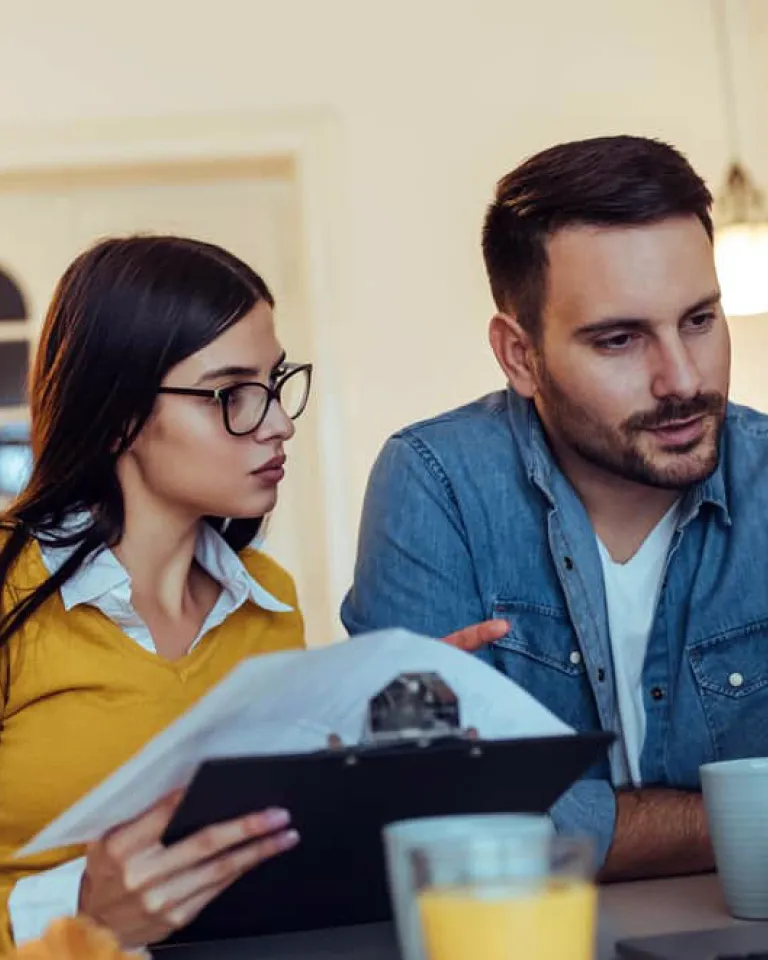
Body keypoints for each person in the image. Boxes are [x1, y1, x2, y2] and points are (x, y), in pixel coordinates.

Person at [0, 236, 502, 953]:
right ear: (119, 412)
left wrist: (374, 757)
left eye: (275, 381)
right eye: (232, 393)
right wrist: (80, 920)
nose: (279, 422)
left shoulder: (268, 600)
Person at [342, 134, 768, 881]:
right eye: (619, 339)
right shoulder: (436, 485)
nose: (682, 378)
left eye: (699, 320)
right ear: (519, 356)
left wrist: (568, 825)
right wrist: (734, 823)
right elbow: (433, 817)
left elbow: (507, 818)